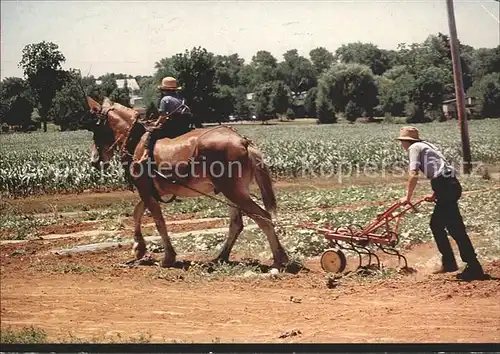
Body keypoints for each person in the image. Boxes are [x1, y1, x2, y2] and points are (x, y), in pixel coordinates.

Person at [396, 126, 485, 281]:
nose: (402, 145)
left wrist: (407, 197)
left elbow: (413, 173)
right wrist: (436, 193)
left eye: (402, 142)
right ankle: (455, 263)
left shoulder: (414, 148)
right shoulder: (427, 146)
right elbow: (442, 169)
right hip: (448, 185)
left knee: (451, 228)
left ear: (405, 141)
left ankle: (470, 266)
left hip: (446, 186)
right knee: (444, 226)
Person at [139, 77, 198, 163]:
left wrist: (156, 123)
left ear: (164, 90)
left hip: (172, 126)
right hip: (184, 125)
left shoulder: (165, 99)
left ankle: (146, 155)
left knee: (152, 134)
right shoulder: (182, 99)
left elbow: (163, 116)